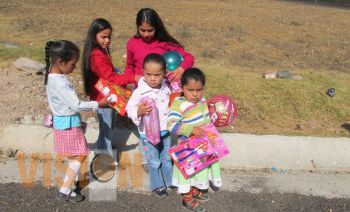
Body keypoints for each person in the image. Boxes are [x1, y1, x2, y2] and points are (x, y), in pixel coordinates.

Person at [125, 8, 195, 170]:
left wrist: (181, 69)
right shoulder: (132, 43)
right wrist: (129, 82)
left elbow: (189, 57)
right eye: (142, 30)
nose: (146, 34)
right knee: (145, 129)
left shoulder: (166, 43)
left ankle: (165, 157)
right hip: (143, 95)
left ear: (157, 27)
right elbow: (129, 66)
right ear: (137, 27)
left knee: (164, 126)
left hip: (163, 94)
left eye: (150, 30)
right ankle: (148, 159)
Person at [44, 40, 110, 202]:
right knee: (81, 154)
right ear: (61, 62)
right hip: (68, 124)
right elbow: (76, 104)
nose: (74, 68)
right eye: (73, 64)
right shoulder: (60, 82)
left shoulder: (51, 75)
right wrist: (98, 104)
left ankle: (67, 184)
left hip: (63, 122)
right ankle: (65, 189)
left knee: (75, 155)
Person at [82, 18, 140, 166]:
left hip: (106, 96)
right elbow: (111, 78)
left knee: (107, 126)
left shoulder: (100, 51)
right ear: (94, 36)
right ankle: (105, 158)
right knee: (107, 128)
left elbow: (109, 74)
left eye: (109, 37)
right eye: (104, 37)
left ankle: (103, 150)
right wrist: (132, 77)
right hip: (104, 98)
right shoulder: (96, 56)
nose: (107, 40)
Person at [168, 68, 222, 212]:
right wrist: (190, 129)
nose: (195, 94)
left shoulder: (202, 101)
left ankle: (193, 189)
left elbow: (206, 118)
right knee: (188, 172)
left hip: (202, 146)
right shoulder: (178, 104)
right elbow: (171, 125)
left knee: (198, 170)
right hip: (187, 149)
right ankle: (187, 199)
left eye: (199, 90)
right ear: (182, 87)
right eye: (190, 90)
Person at [125, 53, 172, 198]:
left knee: (166, 158)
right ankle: (157, 185)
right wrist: (138, 111)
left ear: (164, 73)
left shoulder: (166, 88)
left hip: (165, 131)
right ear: (143, 73)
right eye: (148, 74)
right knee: (154, 160)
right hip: (148, 134)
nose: (152, 78)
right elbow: (129, 108)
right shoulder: (140, 91)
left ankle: (169, 181)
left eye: (157, 75)